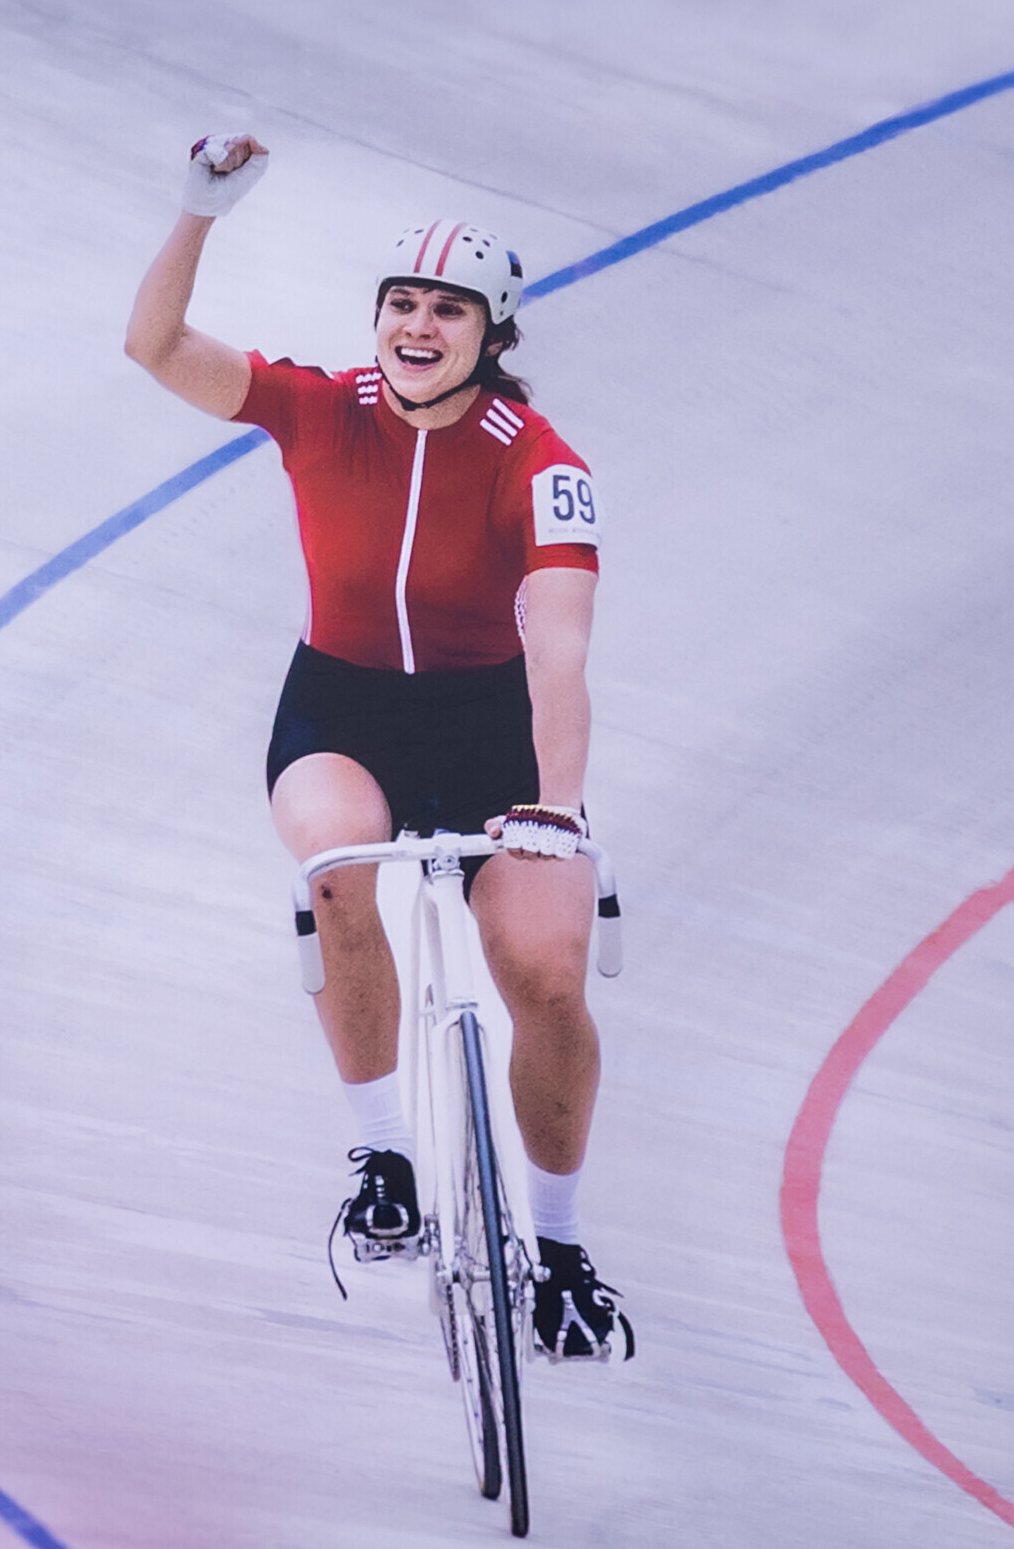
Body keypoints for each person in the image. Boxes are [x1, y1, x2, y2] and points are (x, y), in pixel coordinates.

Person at [123, 134, 632, 1361]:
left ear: (490, 335)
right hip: (342, 712)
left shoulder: (541, 465)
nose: (417, 325)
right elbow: (156, 347)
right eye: (401, 302)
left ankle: (561, 1246)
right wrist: (197, 211)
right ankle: (385, 1158)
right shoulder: (320, 408)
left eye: (446, 309)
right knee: (337, 866)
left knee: (546, 973)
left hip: (493, 729)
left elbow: (560, 651)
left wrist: (558, 806)